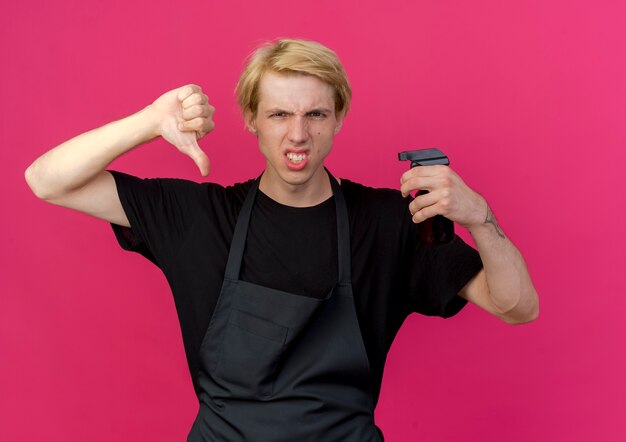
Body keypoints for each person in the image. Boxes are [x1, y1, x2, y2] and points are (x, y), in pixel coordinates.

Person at [25, 39, 538, 441]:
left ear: (338, 119)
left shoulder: (390, 222)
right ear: (251, 119)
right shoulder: (199, 217)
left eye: (315, 114)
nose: (298, 134)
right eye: (278, 114)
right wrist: (146, 122)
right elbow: (47, 179)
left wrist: (479, 217)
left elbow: (517, 306)